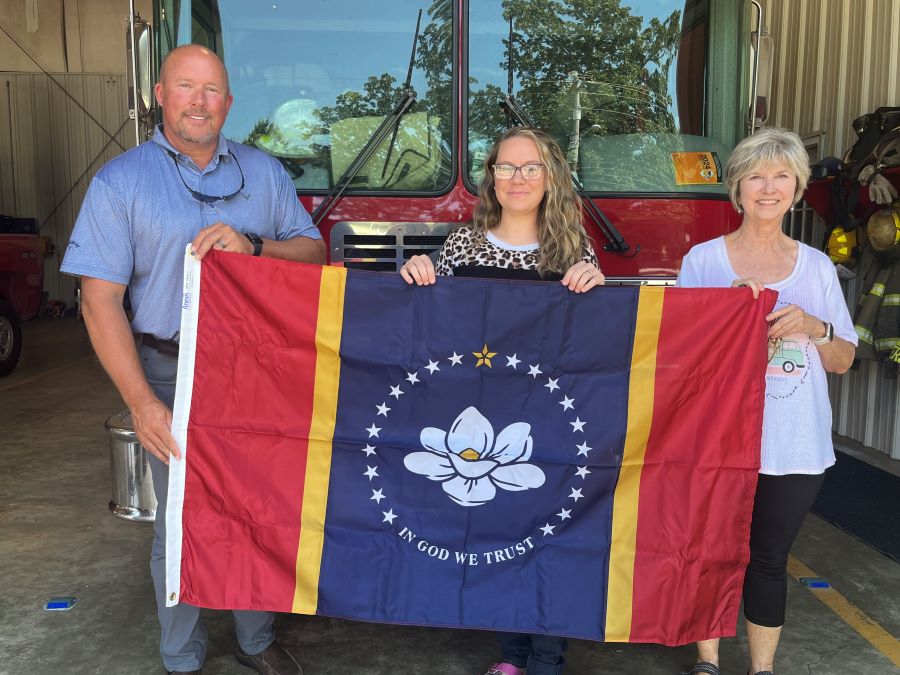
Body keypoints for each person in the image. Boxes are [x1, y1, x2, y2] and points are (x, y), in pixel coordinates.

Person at [61, 45, 325, 675]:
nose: (200, 101)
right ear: (160, 94)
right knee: (179, 521)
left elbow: (313, 253)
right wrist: (141, 403)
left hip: (258, 371)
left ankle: (256, 642)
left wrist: (254, 244)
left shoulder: (264, 175)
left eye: (212, 90)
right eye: (186, 87)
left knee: (258, 508)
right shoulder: (119, 182)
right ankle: (181, 658)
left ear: (229, 104)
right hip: (167, 369)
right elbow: (99, 303)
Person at [401, 126, 605, 675]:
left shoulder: (572, 248)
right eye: (506, 167)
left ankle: (548, 657)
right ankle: (512, 656)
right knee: (496, 534)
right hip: (480, 419)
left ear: (550, 177)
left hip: (549, 422)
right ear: (490, 177)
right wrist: (416, 274)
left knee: (548, 535)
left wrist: (595, 281)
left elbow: (589, 338)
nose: (518, 179)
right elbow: (427, 326)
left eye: (531, 167)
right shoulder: (462, 244)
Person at [676, 127, 856, 675]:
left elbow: (844, 358)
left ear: (798, 189)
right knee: (710, 552)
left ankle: (762, 669)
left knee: (768, 559)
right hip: (716, 441)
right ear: (737, 188)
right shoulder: (703, 262)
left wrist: (815, 325)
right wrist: (720, 318)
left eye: (782, 176)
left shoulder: (818, 269)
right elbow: (677, 360)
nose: (768, 187)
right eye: (756, 175)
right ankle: (707, 662)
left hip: (794, 444)